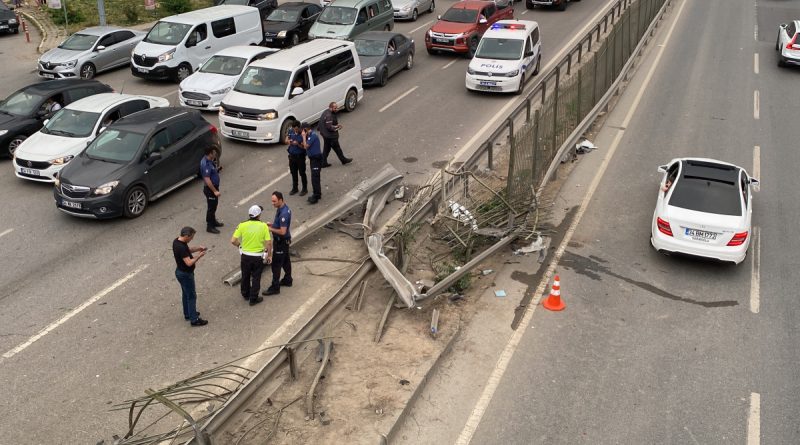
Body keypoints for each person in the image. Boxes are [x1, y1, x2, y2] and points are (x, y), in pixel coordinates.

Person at [231, 205, 272, 306]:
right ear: (258, 215)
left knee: (245, 275)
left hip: (245, 256)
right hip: (257, 257)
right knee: (256, 277)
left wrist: (240, 246)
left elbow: (233, 240)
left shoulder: (242, 225)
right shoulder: (263, 226)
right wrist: (269, 255)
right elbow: (269, 243)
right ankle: (253, 298)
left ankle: (245, 294)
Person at [172, 226, 208, 326]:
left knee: (186, 294)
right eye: (191, 237)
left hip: (180, 272)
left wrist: (198, 248)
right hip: (185, 275)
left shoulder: (177, 241)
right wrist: (199, 256)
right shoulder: (181, 247)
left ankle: (188, 313)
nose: (192, 239)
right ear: (186, 236)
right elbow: (188, 263)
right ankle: (194, 319)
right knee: (192, 296)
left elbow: (188, 250)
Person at [263, 191, 292, 296]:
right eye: (272, 201)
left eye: (274, 201)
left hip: (281, 242)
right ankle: (288, 279)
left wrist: (270, 229)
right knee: (285, 261)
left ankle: (275, 287)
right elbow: (279, 225)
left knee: (276, 265)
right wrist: (272, 224)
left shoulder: (284, 213)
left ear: (281, 200)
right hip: (283, 242)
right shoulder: (281, 209)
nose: (272, 203)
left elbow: (283, 231)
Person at [318, 102, 352, 168]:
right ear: (331, 107)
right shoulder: (329, 116)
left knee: (326, 149)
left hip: (325, 135)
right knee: (337, 148)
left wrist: (321, 132)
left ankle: (323, 162)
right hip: (331, 136)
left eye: (337, 107)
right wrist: (337, 126)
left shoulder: (325, 112)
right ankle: (343, 160)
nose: (337, 109)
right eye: (335, 108)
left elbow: (320, 124)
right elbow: (329, 127)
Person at [201, 147, 223, 234]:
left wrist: (217, 170)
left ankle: (213, 221)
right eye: (214, 153)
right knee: (211, 208)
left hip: (213, 188)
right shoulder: (206, 163)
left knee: (214, 206)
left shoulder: (209, 161)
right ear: (210, 154)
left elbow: (210, 172)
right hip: (210, 189)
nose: (215, 154)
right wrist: (214, 191)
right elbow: (207, 179)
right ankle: (209, 226)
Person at [302, 122, 323, 204]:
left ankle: (316, 195)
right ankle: (317, 193)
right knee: (315, 177)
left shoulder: (313, 135)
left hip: (316, 159)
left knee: (315, 177)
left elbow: (305, 146)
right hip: (312, 159)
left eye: (303, 130)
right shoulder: (309, 135)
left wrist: (304, 136)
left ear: (306, 129)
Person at [286, 120, 307, 196]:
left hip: (300, 156)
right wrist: (290, 141)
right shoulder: (291, 131)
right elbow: (286, 140)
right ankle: (295, 188)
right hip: (292, 156)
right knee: (293, 173)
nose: (296, 130)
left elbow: (304, 147)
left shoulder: (303, 133)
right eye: (294, 129)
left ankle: (304, 188)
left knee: (302, 173)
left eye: (297, 129)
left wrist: (298, 144)